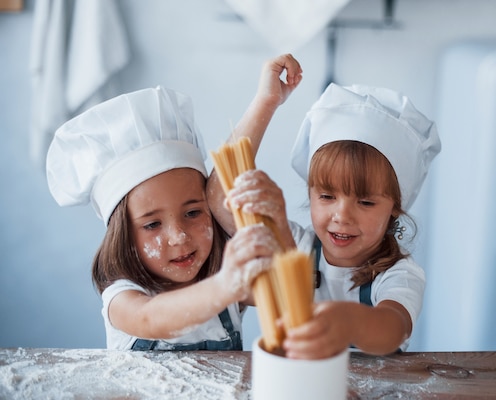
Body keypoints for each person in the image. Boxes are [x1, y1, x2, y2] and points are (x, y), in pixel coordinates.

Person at [46, 54, 303, 351]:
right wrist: (224, 286)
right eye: (153, 223)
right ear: (122, 233)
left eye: (193, 212)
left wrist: (267, 101)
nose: (179, 236)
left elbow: (288, 294)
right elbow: (149, 319)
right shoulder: (125, 297)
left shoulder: (224, 275)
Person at [222, 83, 441, 359]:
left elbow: (394, 327)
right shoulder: (295, 245)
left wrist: (348, 322)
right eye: (327, 196)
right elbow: (221, 200)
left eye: (365, 202)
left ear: (395, 209)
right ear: (310, 194)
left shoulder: (398, 275)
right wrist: (266, 101)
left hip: (376, 399)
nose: (342, 216)